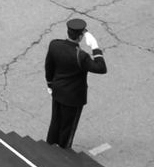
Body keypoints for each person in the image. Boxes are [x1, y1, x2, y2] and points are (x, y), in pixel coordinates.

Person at [44, 18, 107, 149]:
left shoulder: (54, 45)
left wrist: (50, 84)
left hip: (57, 90)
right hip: (73, 97)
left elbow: (48, 66)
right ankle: (63, 152)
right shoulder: (81, 56)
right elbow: (101, 68)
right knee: (68, 127)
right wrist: (95, 47)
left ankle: (49, 146)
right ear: (80, 37)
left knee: (55, 120)